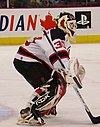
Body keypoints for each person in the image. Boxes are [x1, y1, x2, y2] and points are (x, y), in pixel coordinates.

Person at [13, 12, 84, 125]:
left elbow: (60, 62)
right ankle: (30, 114)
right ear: (63, 23)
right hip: (27, 61)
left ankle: (44, 107)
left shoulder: (62, 36)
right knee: (53, 86)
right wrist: (67, 72)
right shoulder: (57, 34)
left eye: (74, 25)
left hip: (31, 61)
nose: (73, 28)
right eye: (71, 25)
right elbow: (58, 60)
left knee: (57, 84)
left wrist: (68, 71)